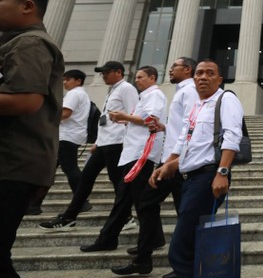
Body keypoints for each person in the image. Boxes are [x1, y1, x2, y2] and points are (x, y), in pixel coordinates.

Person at [149, 59, 243, 278]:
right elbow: (184, 141)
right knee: (193, 248)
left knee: (179, 251)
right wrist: (167, 164)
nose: (203, 77)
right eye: (199, 73)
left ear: (219, 79)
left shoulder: (226, 100)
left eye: (210, 73)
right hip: (189, 179)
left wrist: (222, 172)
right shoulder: (197, 106)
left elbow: (232, 136)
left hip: (207, 178)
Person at [0, 0, 64, 278]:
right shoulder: (16, 42)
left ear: (27, 6)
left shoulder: (29, 44)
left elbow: (26, 101)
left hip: (12, 164)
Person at [111, 57, 198, 278]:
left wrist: (172, 160)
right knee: (151, 204)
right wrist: (165, 127)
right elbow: (181, 127)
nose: (169, 69)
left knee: (167, 208)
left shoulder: (189, 92)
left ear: (187, 70)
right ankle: (144, 258)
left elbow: (192, 126)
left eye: (174, 67)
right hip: (171, 162)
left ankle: (179, 263)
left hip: (178, 163)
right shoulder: (181, 91)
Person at [39, 61, 138, 231]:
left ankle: (127, 217)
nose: (103, 75)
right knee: (85, 179)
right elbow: (106, 119)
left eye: (106, 72)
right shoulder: (113, 90)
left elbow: (133, 115)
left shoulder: (126, 88)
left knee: (116, 181)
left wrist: (128, 142)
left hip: (116, 142)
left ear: (118, 72)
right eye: (102, 73)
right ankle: (69, 217)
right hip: (105, 142)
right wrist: (98, 142)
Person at [79, 66, 166, 253]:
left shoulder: (155, 95)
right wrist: (126, 120)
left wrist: (124, 116)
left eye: (141, 77)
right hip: (133, 151)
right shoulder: (146, 96)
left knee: (138, 199)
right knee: (125, 198)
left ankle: (145, 239)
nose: (137, 80)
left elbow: (151, 120)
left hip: (141, 153)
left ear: (152, 77)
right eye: (137, 77)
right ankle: (112, 238)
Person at [28, 69, 92, 215]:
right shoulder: (82, 94)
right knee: (48, 169)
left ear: (78, 81)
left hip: (66, 137)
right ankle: (34, 204)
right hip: (69, 136)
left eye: (68, 79)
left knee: (69, 169)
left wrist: (47, 121)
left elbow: (66, 113)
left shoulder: (74, 93)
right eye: (64, 79)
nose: (64, 82)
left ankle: (82, 201)